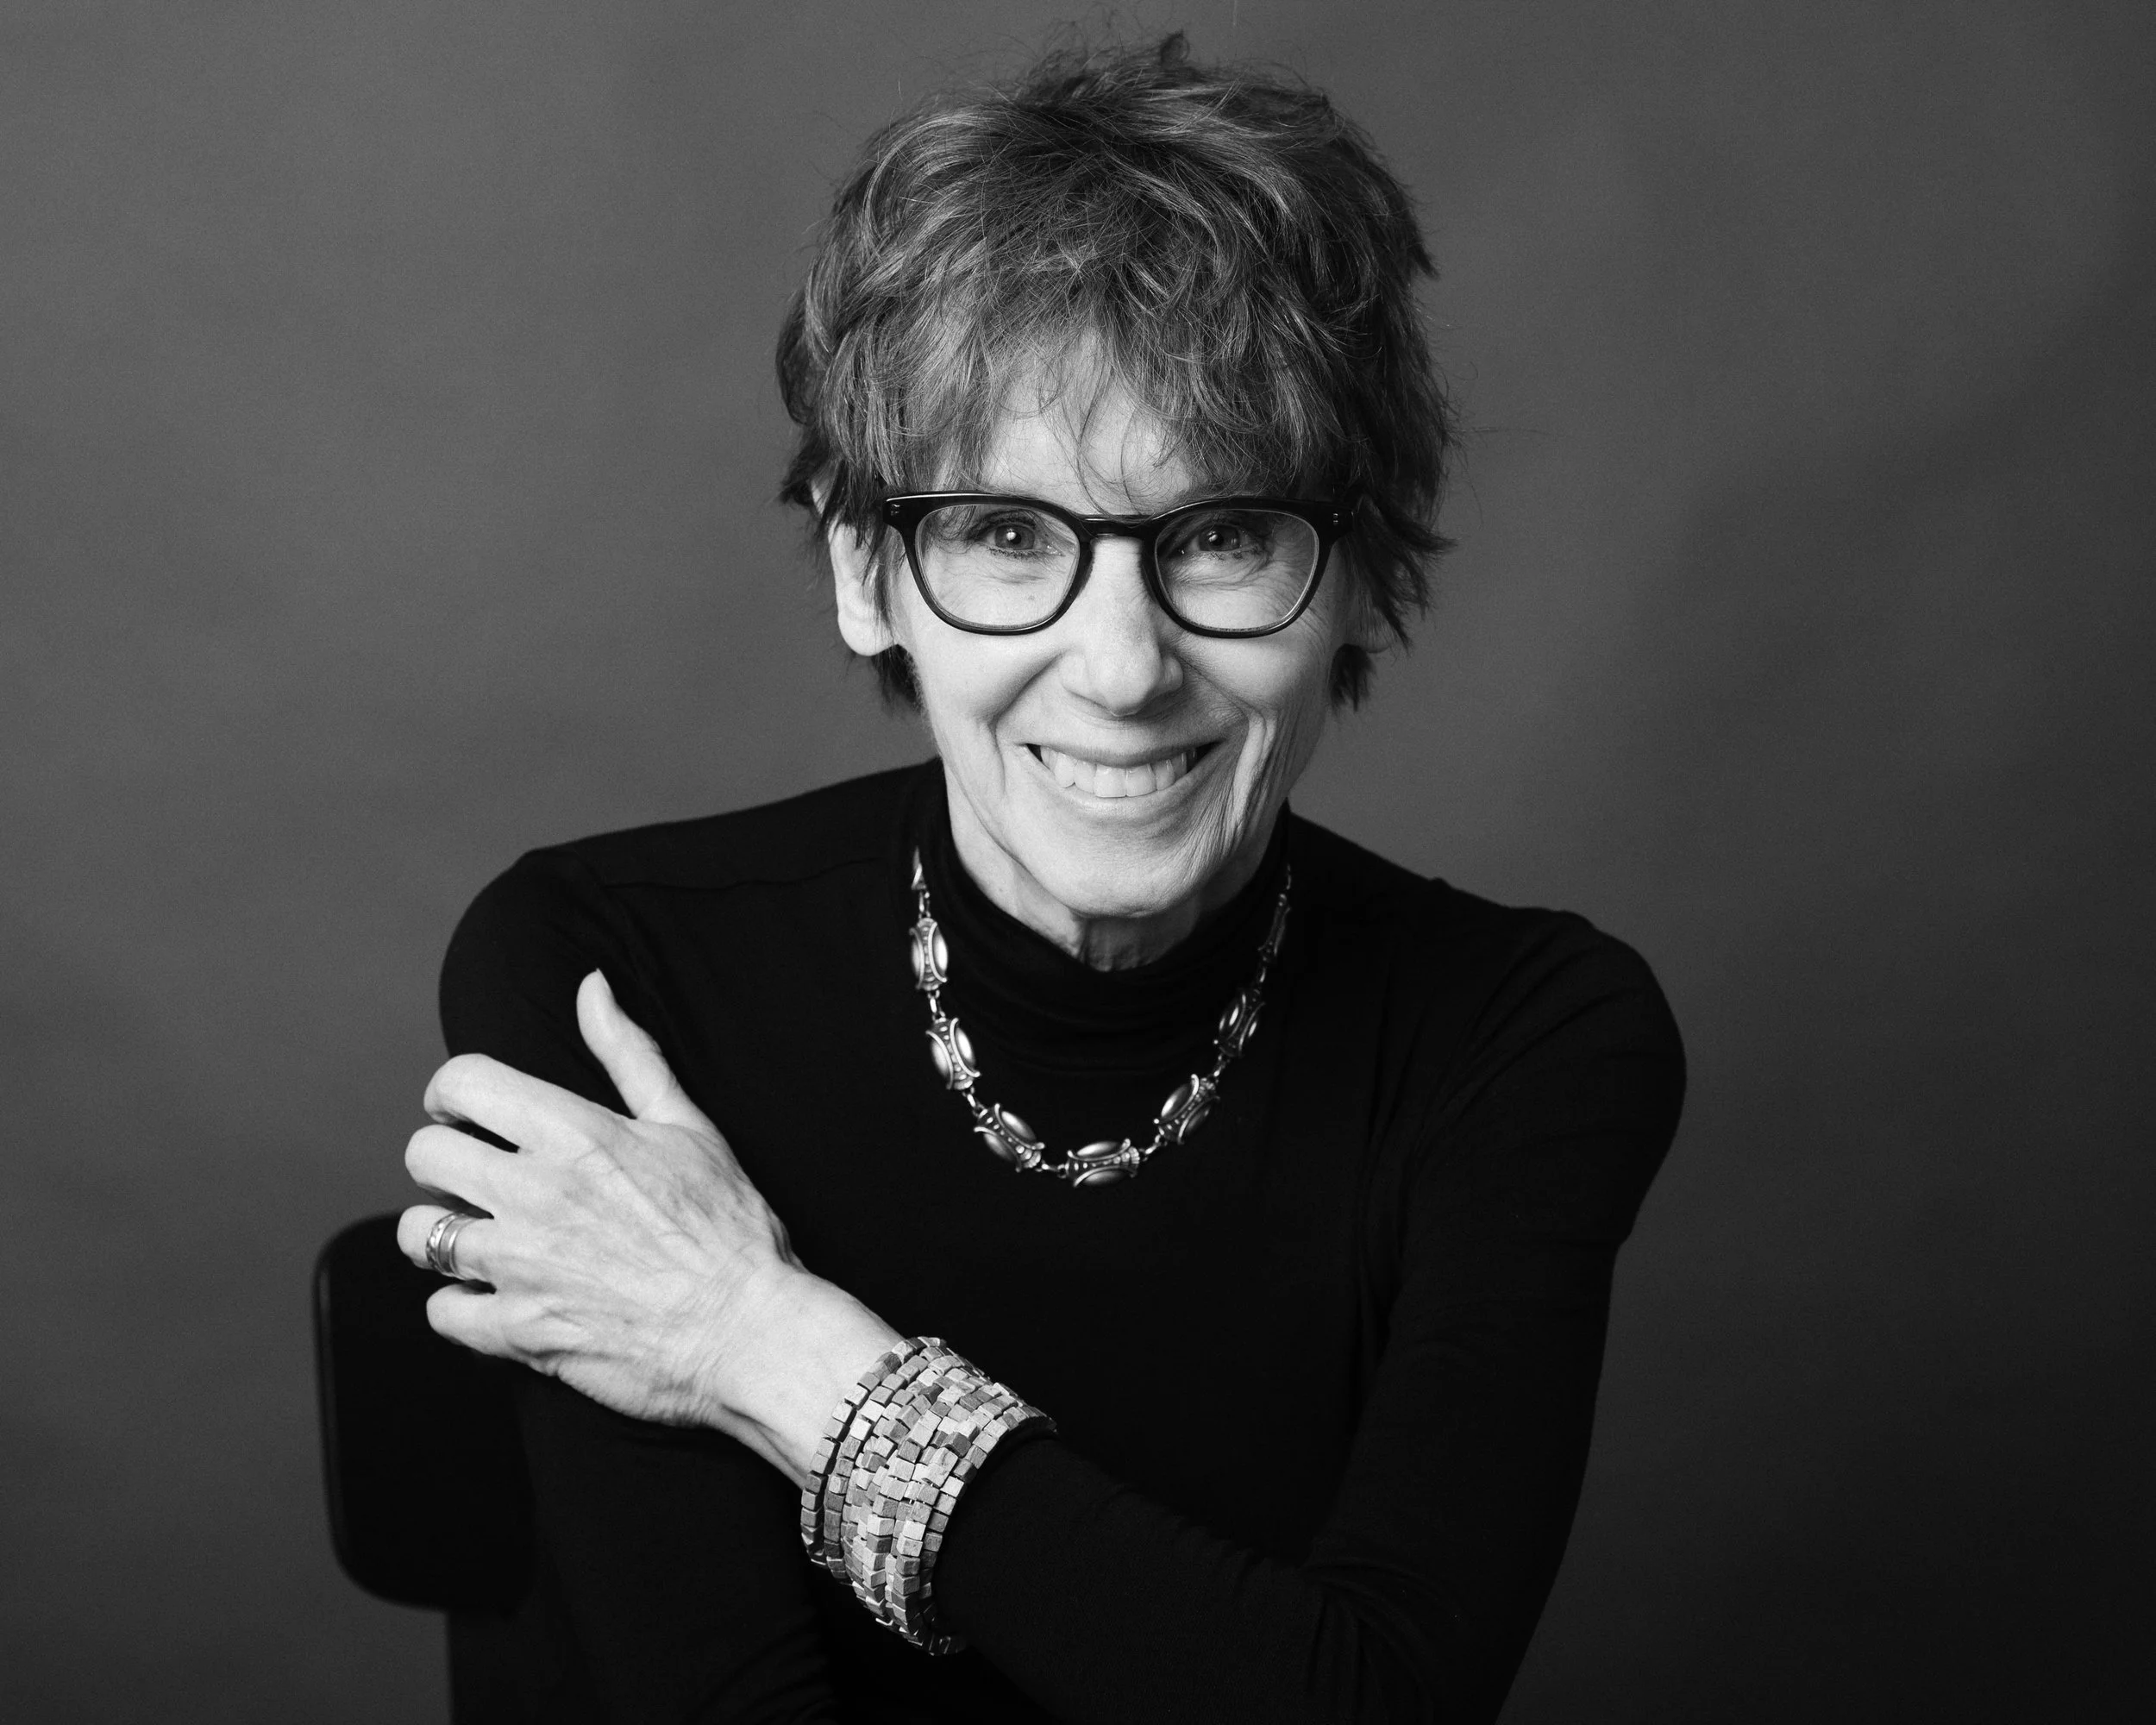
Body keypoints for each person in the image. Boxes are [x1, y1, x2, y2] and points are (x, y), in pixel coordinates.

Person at [397, 34, 1685, 1724]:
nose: (1121, 668)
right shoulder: (603, 979)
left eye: (1223, 532)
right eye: (1007, 536)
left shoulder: (1523, 1041)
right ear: (867, 573)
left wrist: (756, 1339)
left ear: (1360, 579)